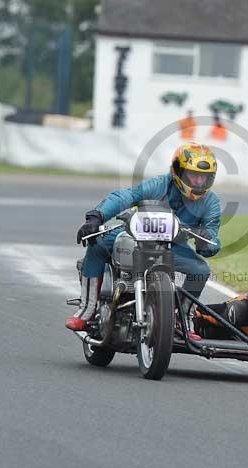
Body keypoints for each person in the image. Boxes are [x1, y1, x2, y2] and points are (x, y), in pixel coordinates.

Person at [66, 142, 221, 340]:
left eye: (204, 177)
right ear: (178, 172)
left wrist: (206, 241)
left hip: (173, 245)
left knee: (201, 270)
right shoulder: (160, 184)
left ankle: (181, 319)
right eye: (193, 175)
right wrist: (97, 216)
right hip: (136, 235)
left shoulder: (211, 202)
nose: (199, 182)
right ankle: (86, 310)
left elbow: (212, 237)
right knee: (97, 245)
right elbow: (126, 196)